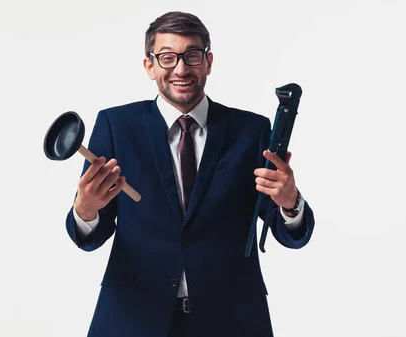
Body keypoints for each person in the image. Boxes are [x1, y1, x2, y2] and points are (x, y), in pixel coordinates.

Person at [64, 11, 315, 337]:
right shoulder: (116, 126)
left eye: (192, 56)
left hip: (232, 320)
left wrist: (290, 202)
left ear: (208, 62)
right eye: (167, 58)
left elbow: (290, 234)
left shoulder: (250, 130)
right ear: (149, 66)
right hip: (134, 317)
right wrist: (85, 210)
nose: (180, 69)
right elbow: (90, 236)